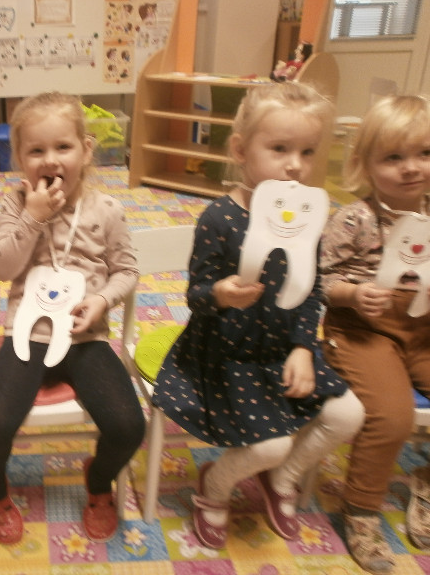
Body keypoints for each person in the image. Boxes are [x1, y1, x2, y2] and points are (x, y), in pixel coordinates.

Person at [152, 82, 365, 550]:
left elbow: (311, 290)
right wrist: (221, 294)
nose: (296, 165)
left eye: (307, 152)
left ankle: (282, 478)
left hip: (283, 348)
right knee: (271, 443)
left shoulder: (308, 217)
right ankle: (214, 488)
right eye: (280, 149)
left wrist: (303, 348)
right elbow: (196, 295)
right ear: (240, 151)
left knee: (349, 414)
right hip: (226, 355)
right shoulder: (219, 218)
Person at [0, 91, 146, 545]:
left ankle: (98, 480)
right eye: (36, 150)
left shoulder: (106, 210)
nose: (50, 160)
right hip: (26, 336)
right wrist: (32, 218)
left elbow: (127, 271)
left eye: (62, 147)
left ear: (85, 150)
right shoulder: (16, 204)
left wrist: (102, 300)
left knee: (129, 426)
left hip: (85, 339)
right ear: (19, 159)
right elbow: (2, 268)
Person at [320, 94, 430, 574]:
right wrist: (353, 294)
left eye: (425, 153)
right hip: (362, 330)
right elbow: (321, 281)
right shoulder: (354, 219)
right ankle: (361, 510)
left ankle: (425, 481)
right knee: (391, 415)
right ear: (364, 165)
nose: (412, 167)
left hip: (422, 327)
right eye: (394, 157)